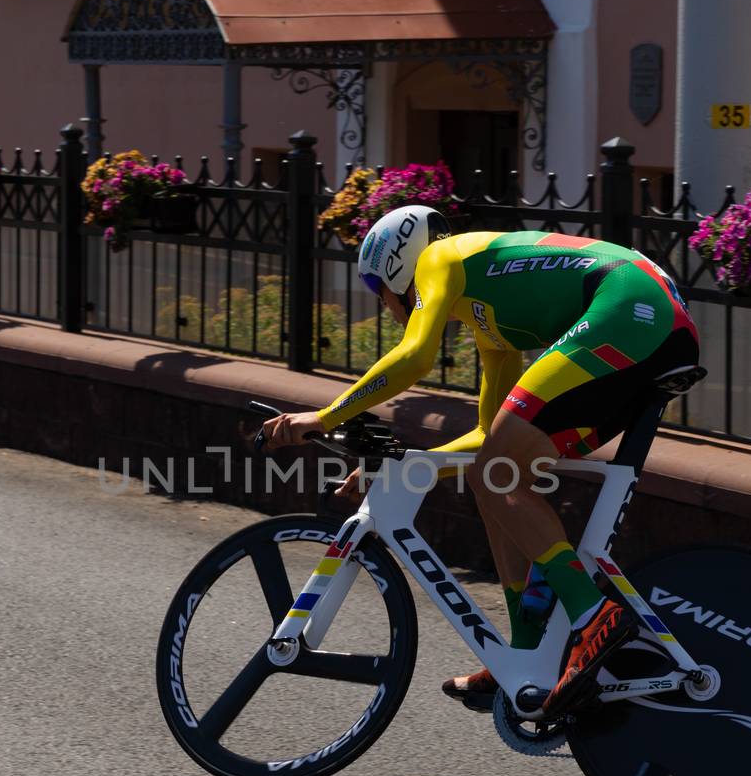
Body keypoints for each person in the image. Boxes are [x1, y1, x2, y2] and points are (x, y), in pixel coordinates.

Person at [263, 205, 700, 718]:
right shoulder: (492, 322)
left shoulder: (440, 257)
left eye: (375, 286)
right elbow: (481, 438)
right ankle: (526, 652)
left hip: (628, 304)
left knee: (495, 471)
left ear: (398, 265)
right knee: (494, 472)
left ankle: (592, 614)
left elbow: (415, 356)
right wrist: (409, 468)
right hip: (652, 326)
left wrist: (327, 414)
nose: (380, 303)